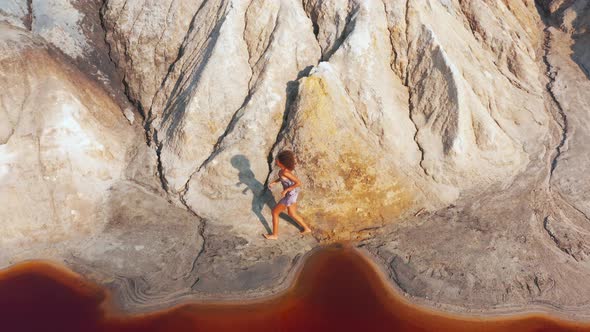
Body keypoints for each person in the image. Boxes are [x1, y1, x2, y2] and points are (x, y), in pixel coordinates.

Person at [263, 150, 312, 239]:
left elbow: (298, 183)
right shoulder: (282, 171)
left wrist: (286, 190)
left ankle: (274, 235)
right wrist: (274, 182)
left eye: (277, 160)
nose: (276, 160)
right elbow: (282, 179)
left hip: (290, 195)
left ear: (282, 162)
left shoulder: (286, 172)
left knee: (274, 212)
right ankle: (307, 229)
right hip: (291, 194)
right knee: (292, 214)